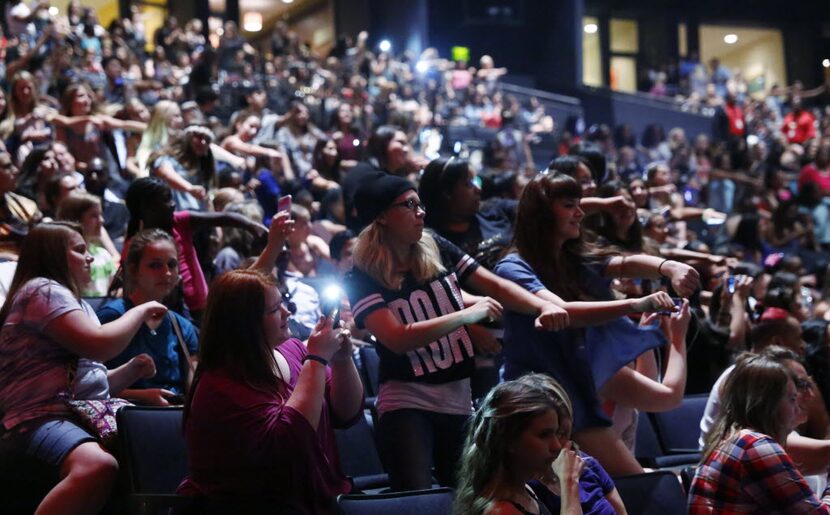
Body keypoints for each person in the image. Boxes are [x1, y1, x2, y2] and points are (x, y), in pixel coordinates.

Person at [346, 173, 571, 491]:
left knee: (468, 497)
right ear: (381, 216)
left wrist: (540, 306)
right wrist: (463, 319)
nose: (420, 212)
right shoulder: (361, 276)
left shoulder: (434, 244)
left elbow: (492, 284)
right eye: (409, 205)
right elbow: (396, 338)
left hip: (458, 397)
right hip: (407, 400)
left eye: (420, 204)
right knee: (419, 498)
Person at [494, 171, 700, 475]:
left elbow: (624, 262)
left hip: (572, 401)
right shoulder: (513, 267)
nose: (580, 213)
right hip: (533, 407)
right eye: (569, 205)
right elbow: (562, 310)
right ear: (541, 213)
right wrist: (635, 305)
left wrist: (668, 266)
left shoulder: (574, 261)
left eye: (580, 204)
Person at [0, 222, 166, 514]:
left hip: (72, 412)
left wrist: (131, 370)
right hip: (37, 416)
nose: (90, 257)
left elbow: (89, 383)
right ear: (53, 256)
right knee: (96, 466)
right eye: (79, 251)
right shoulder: (43, 290)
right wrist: (139, 311)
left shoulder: (76, 303)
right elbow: (100, 345)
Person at [178, 268, 363, 513]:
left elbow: (346, 413)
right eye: (275, 309)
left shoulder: (295, 351)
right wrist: (317, 360)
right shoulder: (220, 385)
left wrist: (342, 360)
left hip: (318, 499)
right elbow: (287, 446)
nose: (288, 312)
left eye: (283, 303)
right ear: (245, 322)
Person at [454, 373, 625, 515]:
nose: (557, 446)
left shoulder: (526, 492)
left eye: (560, 434)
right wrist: (569, 481)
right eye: (544, 435)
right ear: (509, 440)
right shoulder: (500, 510)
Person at [689, 352, 830, 513]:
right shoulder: (754, 446)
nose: (797, 408)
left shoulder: (734, 438)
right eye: (791, 399)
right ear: (768, 403)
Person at [98, 229, 199, 405]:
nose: (167, 273)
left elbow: (194, 387)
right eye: (155, 265)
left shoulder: (181, 326)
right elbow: (89, 384)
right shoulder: (113, 316)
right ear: (133, 269)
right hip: (125, 419)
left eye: (172, 264)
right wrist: (142, 396)